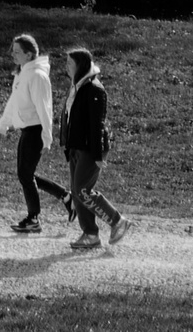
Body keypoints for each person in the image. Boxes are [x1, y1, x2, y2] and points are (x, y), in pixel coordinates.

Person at [0, 34, 68, 233]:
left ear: (29, 54)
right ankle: (66, 197)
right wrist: (2, 126)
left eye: (17, 51)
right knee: (26, 174)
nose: (13, 54)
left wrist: (47, 136)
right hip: (27, 130)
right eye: (13, 50)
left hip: (35, 130)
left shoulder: (37, 76)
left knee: (25, 174)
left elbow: (45, 108)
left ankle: (33, 218)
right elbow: (13, 102)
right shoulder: (22, 73)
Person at [59, 46, 130, 250]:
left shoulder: (94, 89)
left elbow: (96, 124)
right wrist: (67, 146)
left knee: (82, 190)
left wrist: (98, 155)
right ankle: (90, 234)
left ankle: (118, 221)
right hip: (76, 148)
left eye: (69, 64)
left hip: (91, 149)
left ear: (81, 66)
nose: (66, 67)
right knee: (77, 190)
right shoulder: (77, 86)